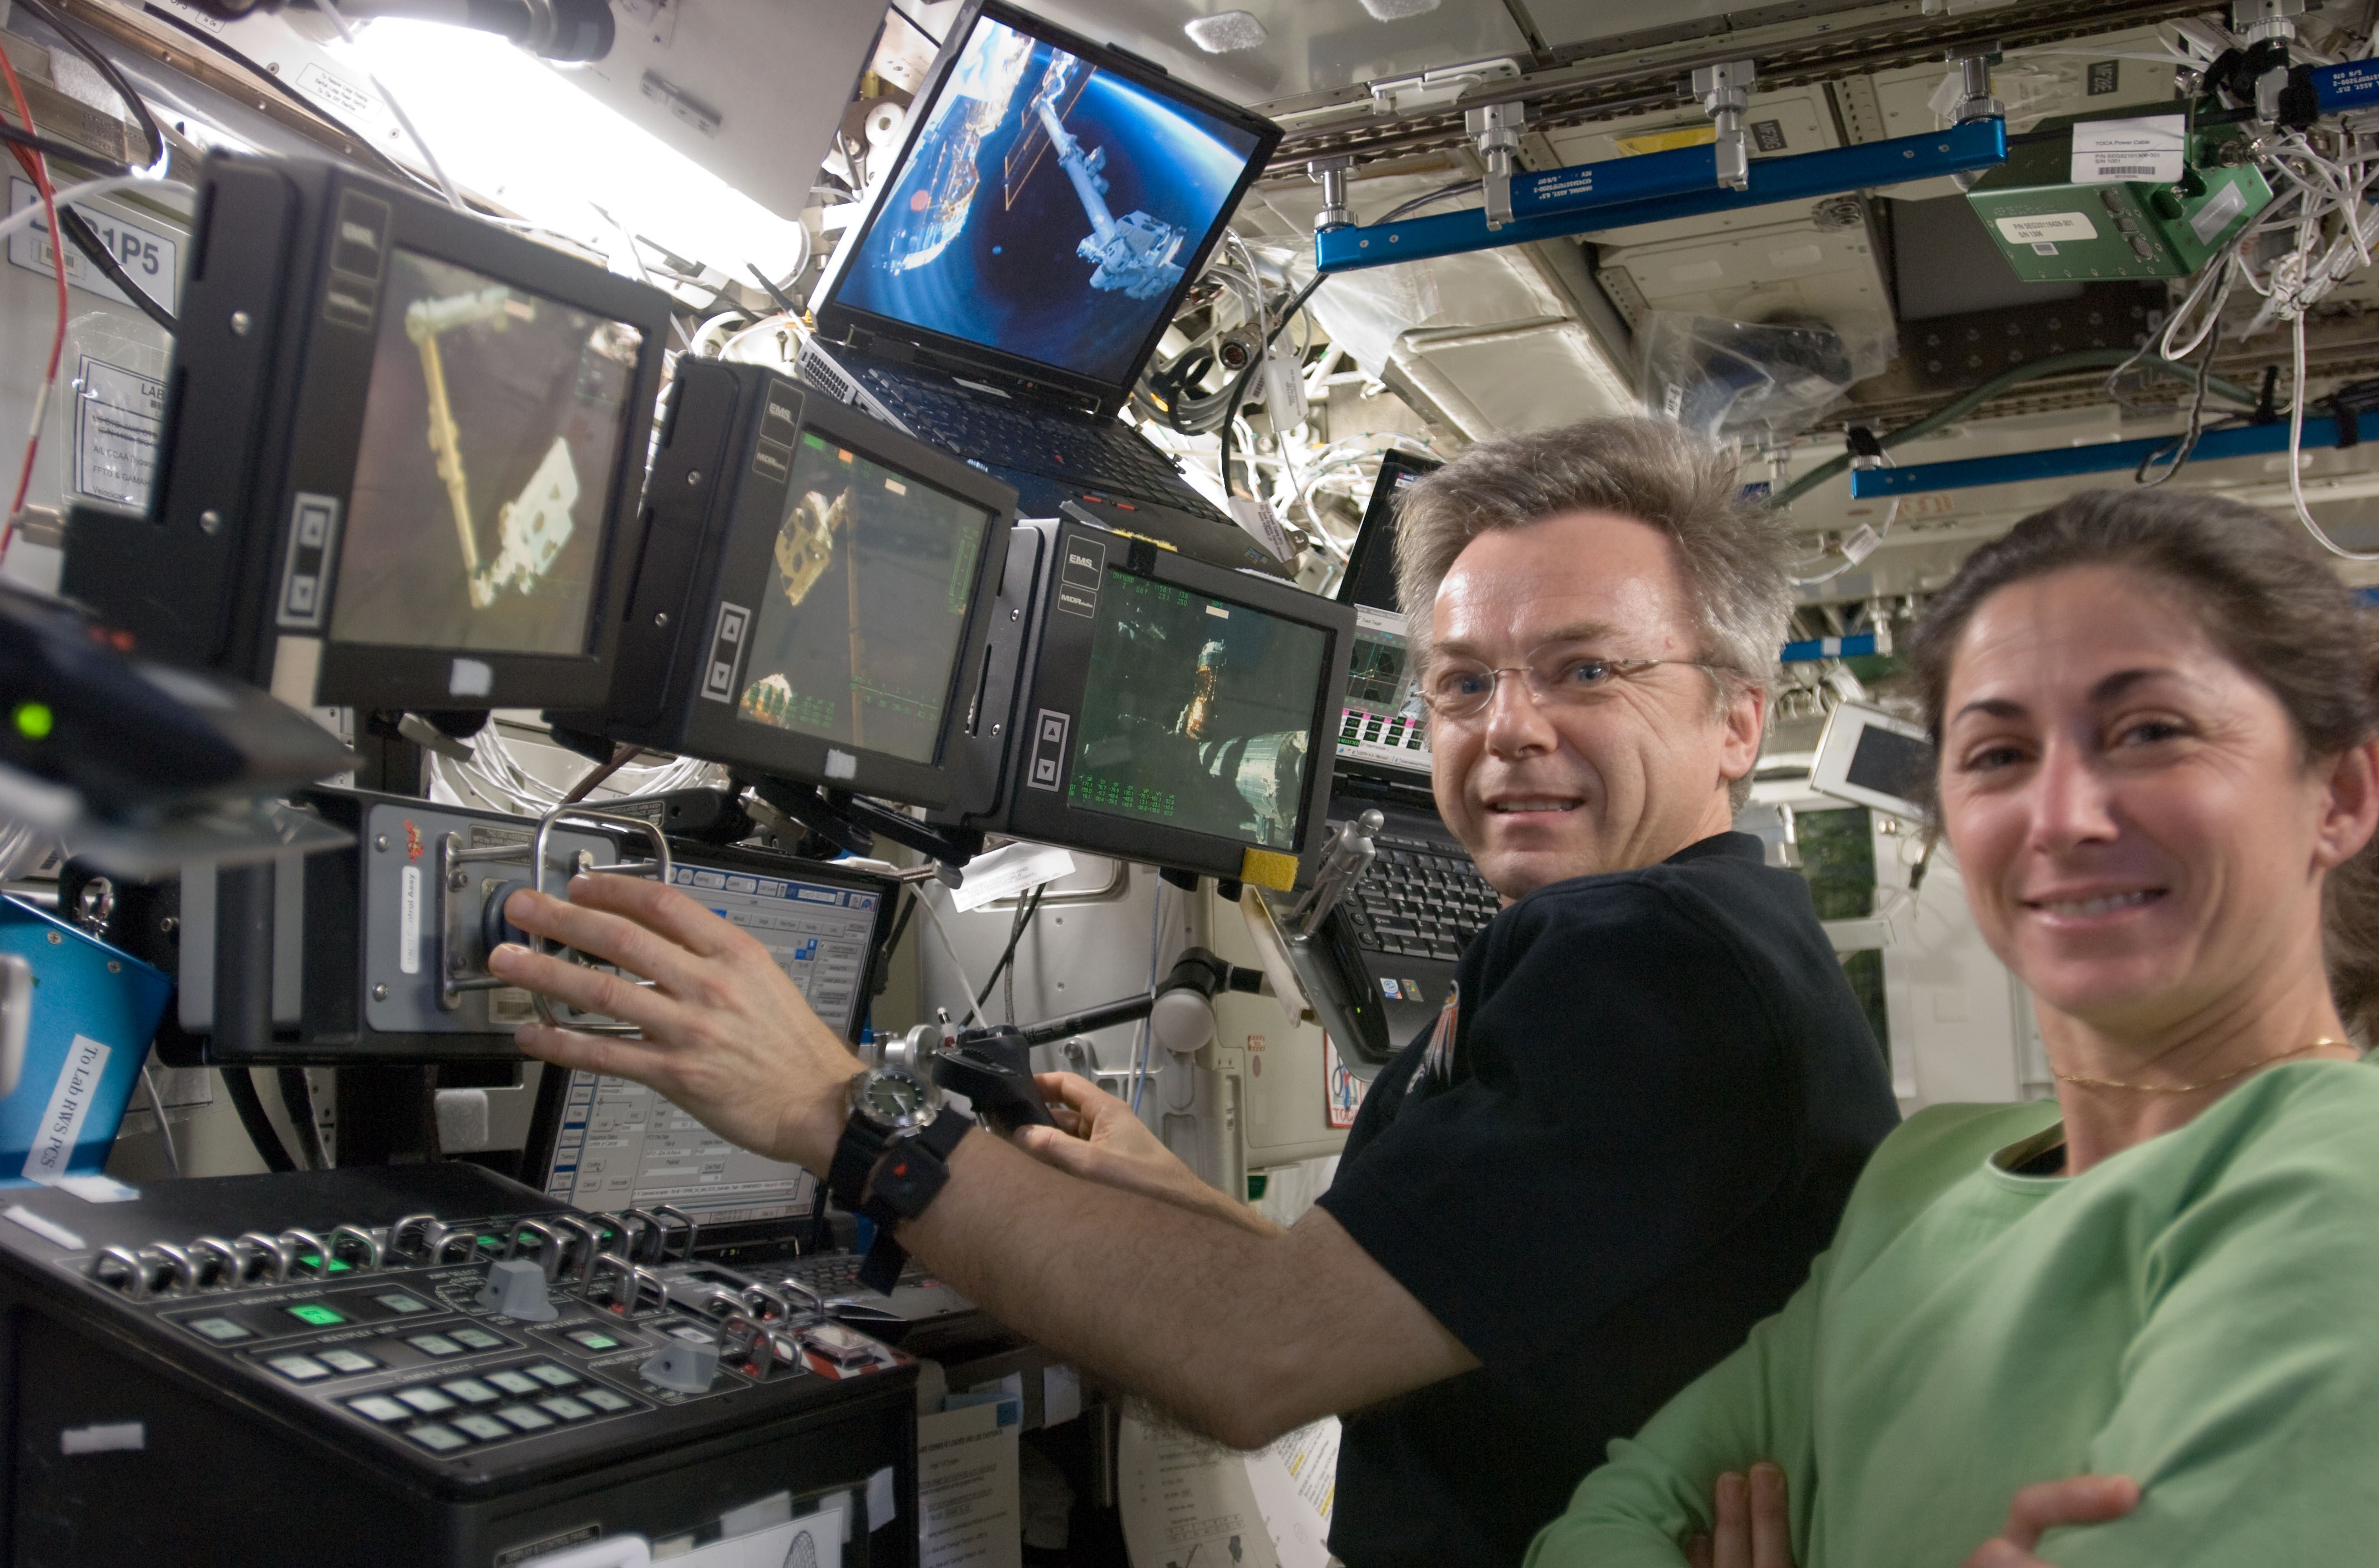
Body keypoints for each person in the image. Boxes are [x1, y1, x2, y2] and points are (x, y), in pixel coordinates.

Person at [487, 418, 1901, 1565]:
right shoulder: (1709, 935)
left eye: (1583, 669)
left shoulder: (1652, 961)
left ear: (1735, 718)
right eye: (1462, 685)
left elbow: (1258, 1359)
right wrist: (1177, 1206)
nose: (1507, 729)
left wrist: (839, 1112)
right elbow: (1412, 1300)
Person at [1528, 489, 2379, 1568]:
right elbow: (1601, 1524)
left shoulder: (2343, 1173)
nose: (2062, 815)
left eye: (2149, 732)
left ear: (2341, 794)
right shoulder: (1922, 1173)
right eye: (1995, 755)